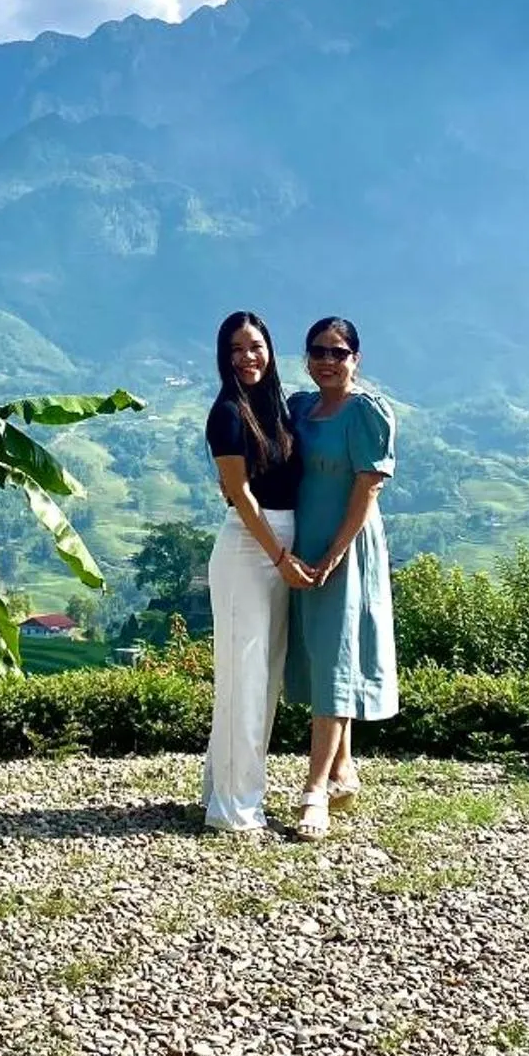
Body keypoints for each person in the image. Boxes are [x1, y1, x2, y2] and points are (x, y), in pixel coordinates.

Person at [283, 316, 397, 842]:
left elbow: (368, 488)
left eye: (339, 352)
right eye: (319, 351)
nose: (328, 361)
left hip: (346, 547)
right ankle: (342, 768)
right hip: (301, 544)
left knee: (333, 658)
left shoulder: (367, 413)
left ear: (356, 358)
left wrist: (332, 554)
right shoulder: (300, 409)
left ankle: (313, 795)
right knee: (324, 655)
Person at [200, 311, 313, 834]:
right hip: (250, 548)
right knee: (243, 680)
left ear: (270, 349)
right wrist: (280, 557)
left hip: (281, 544)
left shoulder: (278, 411)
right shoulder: (226, 413)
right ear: (225, 357)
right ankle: (234, 809)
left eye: (256, 346)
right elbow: (241, 497)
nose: (248, 357)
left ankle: (228, 792)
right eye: (236, 349)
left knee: (264, 680)